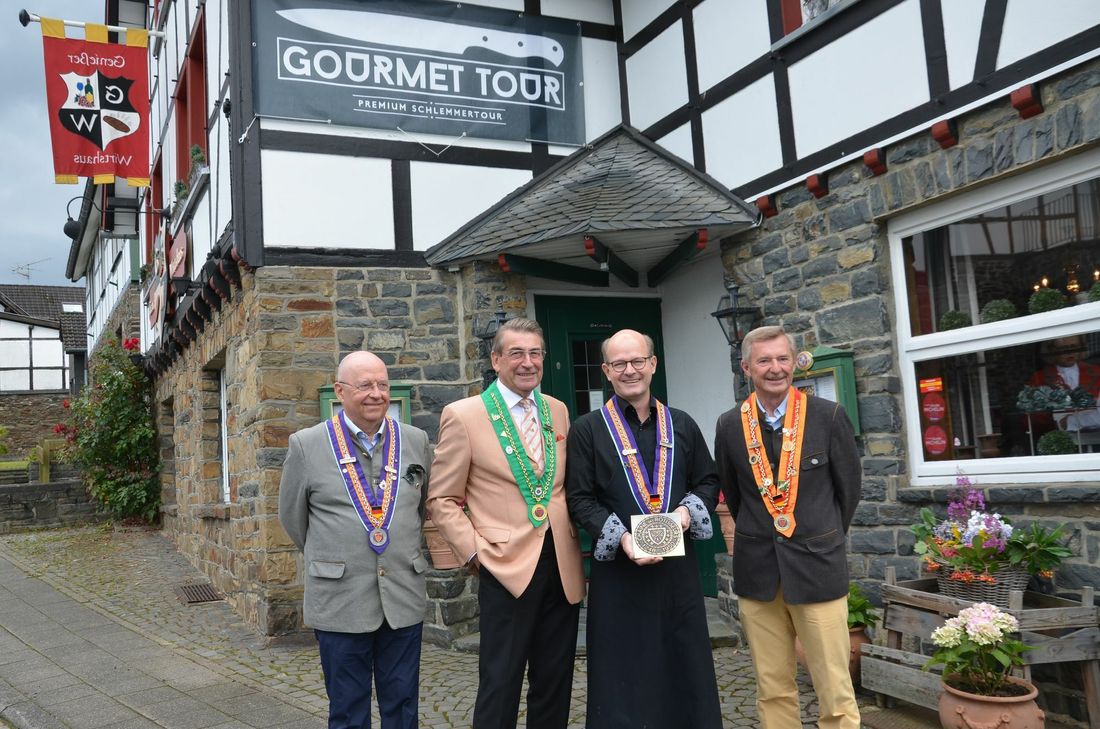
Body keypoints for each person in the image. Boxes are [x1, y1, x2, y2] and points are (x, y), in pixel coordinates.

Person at [426, 317, 585, 729]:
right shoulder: (463, 415)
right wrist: (476, 551)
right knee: (501, 684)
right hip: (505, 567)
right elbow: (441, 498)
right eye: (516, 353)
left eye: (535, 353)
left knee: (554, 684)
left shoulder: (558, 411)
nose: (528, 362)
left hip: (562, 566)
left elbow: (559, 487)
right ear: (496, 359)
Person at [565, 329, 723, 729]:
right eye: (619, 363)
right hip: (621, 572)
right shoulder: (588, 429)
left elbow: (708, 481)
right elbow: (580, 499)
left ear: (653, 364)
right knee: (623, 669)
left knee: (682, 661)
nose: (630, 370)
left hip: (677, 575)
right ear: (606, 371)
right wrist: (624, 539)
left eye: (637, 361)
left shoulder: (682, 425)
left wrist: (686, 515)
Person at [714, 326, 862, 729]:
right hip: (758, 571)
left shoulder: (828, 416)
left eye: (783, 359)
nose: (775, 368)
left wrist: (819, 534)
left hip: (817, 567)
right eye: (764, 360)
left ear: (795, 362)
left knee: (834, 685)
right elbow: (736, 495)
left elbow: (847, 493)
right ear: (747, 367)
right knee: (773, 686)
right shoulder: (729, 425)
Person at [278, 351, 431, 729]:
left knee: (403, 706)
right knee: (348, 711)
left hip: (402, 595)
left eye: (382, 384)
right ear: (340, 390)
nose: (376, 393)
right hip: (339, 600)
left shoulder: (415, 441)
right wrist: (335, 557)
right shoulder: (306, 444)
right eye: (364, 385)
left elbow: (422, 507)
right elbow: (293, 520)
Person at [1027, 335, 1100, 431]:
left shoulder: (1097, 371)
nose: (1069, 352)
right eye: (1063, 348)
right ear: (1051, 350)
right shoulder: (1039, 378)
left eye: (1074, 347)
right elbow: (1033, 415)